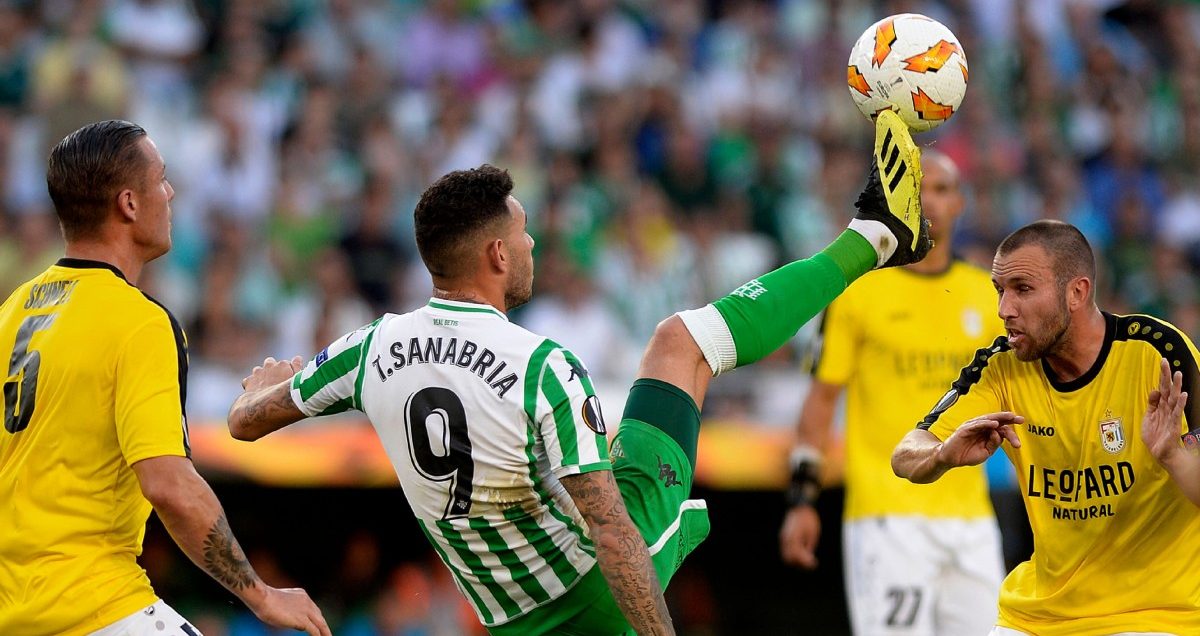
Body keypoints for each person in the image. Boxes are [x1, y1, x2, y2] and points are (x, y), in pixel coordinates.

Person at [227, 110, 931, 634]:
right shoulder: (540, 365)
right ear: (498, 255)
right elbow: (611, 531)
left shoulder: (369, 348)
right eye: (523, 232)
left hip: (508, 619)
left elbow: (245, 422)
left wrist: (261, 389)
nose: (533, 243)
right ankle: (873, 236)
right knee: (681, 343)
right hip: (594, 592)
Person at [0, 120, 330, 636]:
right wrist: (262, 595)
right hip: (94, 605)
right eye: (161, 179)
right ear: (129, 204)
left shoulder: (12, 311)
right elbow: (169, 484)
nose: (171, 193)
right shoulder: (140, 323)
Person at [892, 220, 1200, 636]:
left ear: (1077, 292)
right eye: (999, 290)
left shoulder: (1157, 352)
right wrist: (941, 455)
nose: (1004, 309)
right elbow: (905, 453)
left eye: (1022, 288)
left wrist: (1173, 456)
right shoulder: (1000, 367)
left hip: (1154, 615)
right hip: (1037, 618)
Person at [780, 151, 1006, 635]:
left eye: (942, 189)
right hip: (887, 517)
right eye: (919, 189)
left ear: (961, 203)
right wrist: (802, 499)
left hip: (972, 519)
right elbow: (821, 400)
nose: (931, 201)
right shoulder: (858, 292)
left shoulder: (989, 295)